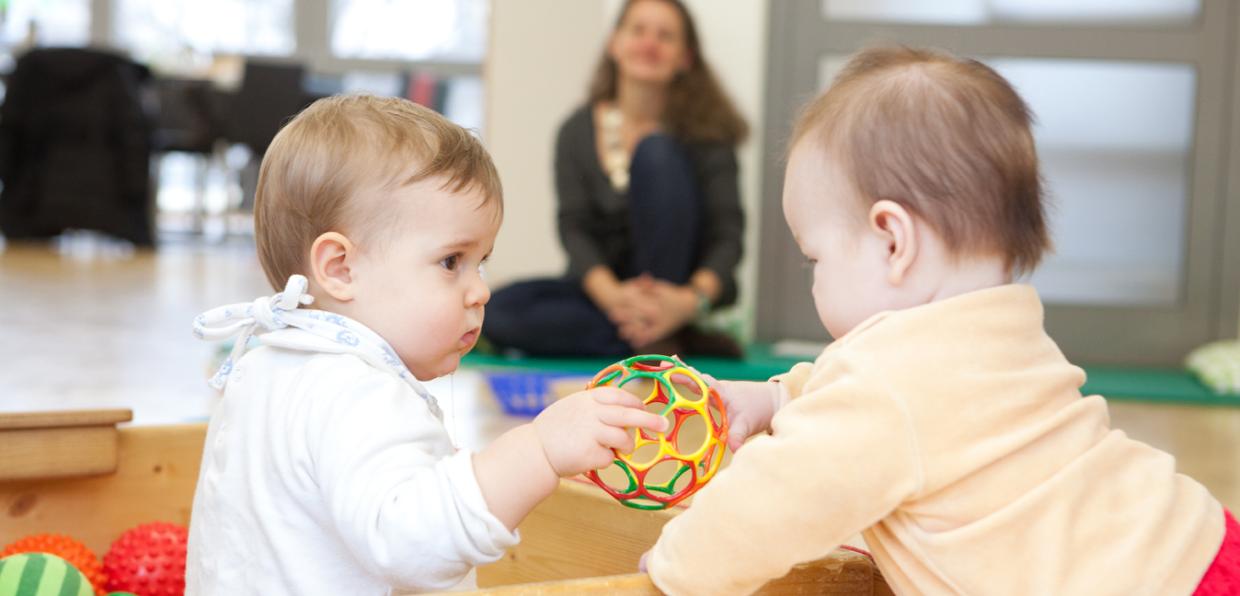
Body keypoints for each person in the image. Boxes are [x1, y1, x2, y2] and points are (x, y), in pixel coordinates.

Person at [642, 46, 1239, 595]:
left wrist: (674, 567)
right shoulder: (1001, 333)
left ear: (892, 241)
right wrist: (777, 400)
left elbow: (768, 507)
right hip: (1196, 542)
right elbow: (880, 407)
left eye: (814, 257)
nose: (814, 277)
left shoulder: (886, 388)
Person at [185, 95, 666, 595]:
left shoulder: (262, 369)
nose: (480, 290)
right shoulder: (357, 392)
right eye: (451, 261)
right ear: (340, 268)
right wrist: (538, 451)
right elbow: (413, 545)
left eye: (481, 262)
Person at [483, 0, 748, 357]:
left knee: (655, 151)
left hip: (679, 297)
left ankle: (657, 327)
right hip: (605, 295)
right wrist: (613, 297)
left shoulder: (708, 135)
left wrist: (684, 302)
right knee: (496, 311)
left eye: (665, 36)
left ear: (685, 57)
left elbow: (727, 238)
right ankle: (657, 338)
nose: (649, 43)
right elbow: (573, 227)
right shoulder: (576, 131)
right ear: (614, 43)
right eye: (638, 31)